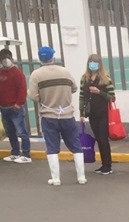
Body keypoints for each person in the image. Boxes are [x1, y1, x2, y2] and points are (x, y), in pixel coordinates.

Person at [28, 45, 86, 187]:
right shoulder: (64, 71)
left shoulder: (36, 74)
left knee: (52, 147)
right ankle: (81, 177)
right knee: (76, 146)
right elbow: (74, 88)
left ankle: (56, 179)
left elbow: (34, 96)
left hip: (49, 117)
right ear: (53, 57)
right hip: (67, 115)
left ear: (40, 59)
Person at [80, 53, 115, 175]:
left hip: (103, 113)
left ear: (99, 64)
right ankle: (103, 165)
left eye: (95, 62)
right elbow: (82, 97)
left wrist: (99, 92)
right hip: (91, 113)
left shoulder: (106, 79)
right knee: (98, 139)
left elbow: (112, 97)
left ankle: (108, 165)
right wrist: (81, 113)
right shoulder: (85, 79)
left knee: (103, 139)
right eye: (90, 62)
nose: (92, 64)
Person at [0, 47, 32, 164]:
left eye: (7, 58)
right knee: (10, 132)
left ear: (12, 58)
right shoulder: (0, 72)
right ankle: (15, 153)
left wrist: (18, 104)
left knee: (22, 132)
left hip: (15, 108)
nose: (5, 60)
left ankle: (26, 154)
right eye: (3, 58)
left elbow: (22, 90)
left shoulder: (18, 73)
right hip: (4, 108)